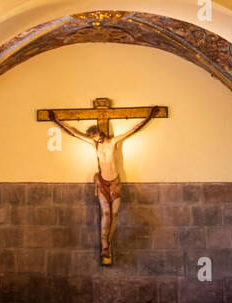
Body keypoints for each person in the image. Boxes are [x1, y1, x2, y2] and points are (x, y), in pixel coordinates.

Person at [47, 107, 161, 265]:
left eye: (94, 135)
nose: (93, 138)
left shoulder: (113, 141)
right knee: (106, 214)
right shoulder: (95, 145)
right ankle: (104, 244)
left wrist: (149, 116)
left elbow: (134, 129)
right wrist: (56, 121)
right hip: (102, 182)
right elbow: (74, 132)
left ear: (99, 133)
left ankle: (108, 241)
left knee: (115, 214)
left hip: (115, 183)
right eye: (92, 137)